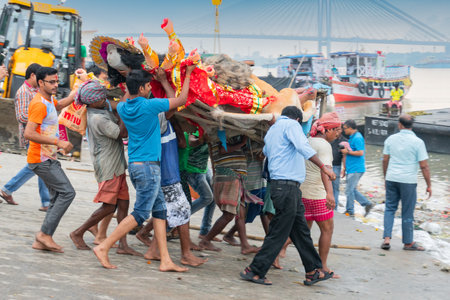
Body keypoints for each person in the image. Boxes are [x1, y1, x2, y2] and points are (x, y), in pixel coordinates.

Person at [93, 65, 196, 270]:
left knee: (160, 211)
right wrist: (189, 74)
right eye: (148, 85)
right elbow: (181, 101)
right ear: (141, 89)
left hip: (137, 165)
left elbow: (125, 97)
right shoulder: (150, 106)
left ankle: (166, 260)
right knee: (140, 214)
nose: (150, 88)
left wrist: (130, 79)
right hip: (149, 167)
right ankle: (103, 246)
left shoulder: (123, 107)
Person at [240, 106, 336, 286]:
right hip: (287, 187)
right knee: (278, 232)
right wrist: (323, 167)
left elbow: (267, 153)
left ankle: (313, 270)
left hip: (281, 187)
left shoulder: (272, 131)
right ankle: (255, 271)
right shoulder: (292, 125)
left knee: (300, 231)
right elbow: (303, 147)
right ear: (298, 120)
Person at [69, 80, 140, 256]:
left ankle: (123, 245)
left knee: (124, 205)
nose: (104, 100)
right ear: (92, 101)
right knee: (109, 207)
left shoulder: (100, 111)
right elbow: (122, 133)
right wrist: (124, 111)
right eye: (101, 98)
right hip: (108, 167)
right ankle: (78, 232)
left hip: (116, 165)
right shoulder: (98, 118)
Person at [24, 67, 77, 252]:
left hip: (48, 158)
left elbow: (59, 105)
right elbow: (28, 133)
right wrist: (58, 142)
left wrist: (77, 92)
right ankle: (44, 235)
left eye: (57, 81)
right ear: (40, 83)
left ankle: (41, 240)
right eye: (52, 82)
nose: (56, 84)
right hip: (41, 159)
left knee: (57, 196)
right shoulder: (39, 104)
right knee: (67, 193)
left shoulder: (49, 100)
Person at [0, 63, 51, 210]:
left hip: (39, 134)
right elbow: (22, 116)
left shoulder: (36, 91)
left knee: (40, 165)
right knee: (38, 165)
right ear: (33, 76)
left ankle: (46, 202)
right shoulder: (24, 92)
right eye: (40, 77)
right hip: (31, 135)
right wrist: (42, 118)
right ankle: (7, 189)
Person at [198, 135, 260, 255]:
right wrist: (241, 143)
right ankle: (206, 240)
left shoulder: (230, 134)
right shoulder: (221, 133)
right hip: (229, 177)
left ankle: (245, 246)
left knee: (241, 214)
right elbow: (222, 150)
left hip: (235, 178)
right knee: (229, 214)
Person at [381, 115, 431, 251]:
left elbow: (385, 160)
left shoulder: (390, 139)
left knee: (390, 208)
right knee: (407, 211)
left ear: (399, 125)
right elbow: (424, 166)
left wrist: (385, 177)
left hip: (392, 178)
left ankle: (386, 238)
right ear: (412, 126)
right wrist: (429, 185)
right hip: (408, 181)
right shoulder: (418, 142)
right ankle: (408, 242)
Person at [301, 112, 341, 278]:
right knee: (327, 229)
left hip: (303, 192)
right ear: (326, 130)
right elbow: (325, 170)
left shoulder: (307, 141)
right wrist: (330, 194)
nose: (338, 134)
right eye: (336, 130)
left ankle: (278, 255)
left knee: (302, 230)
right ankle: (323, 266)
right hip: (317, 194)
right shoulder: (324, 146)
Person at [177, 131, 216, 240]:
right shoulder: (195, 126)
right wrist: (201, 140)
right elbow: (190, 141)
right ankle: (176, 221)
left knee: (213, 198)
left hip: (203, 167)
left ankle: (205, 231)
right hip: (193, 169)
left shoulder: (210, 127)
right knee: (207, 198)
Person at [341, 119, 374, 217]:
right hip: (351, 167)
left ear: (351, 128)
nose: (344, 130)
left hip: (356, 168)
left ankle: (350, 210)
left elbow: (360, 152)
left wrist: (347, 152)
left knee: (349, 190)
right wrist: (345, 167)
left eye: (345, 128)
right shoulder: (352, 137)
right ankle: (366, 204)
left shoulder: (358, 137)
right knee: (351, 189)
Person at [330, 125, 347, 209]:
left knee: (335, 188)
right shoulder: (330, 139)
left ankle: (334, 208)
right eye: (336, 129)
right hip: (327, 166)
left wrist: (344, 168)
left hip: (336, 166)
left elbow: (344, 156)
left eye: (339, 129)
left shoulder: (343, 141)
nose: (337, 131)